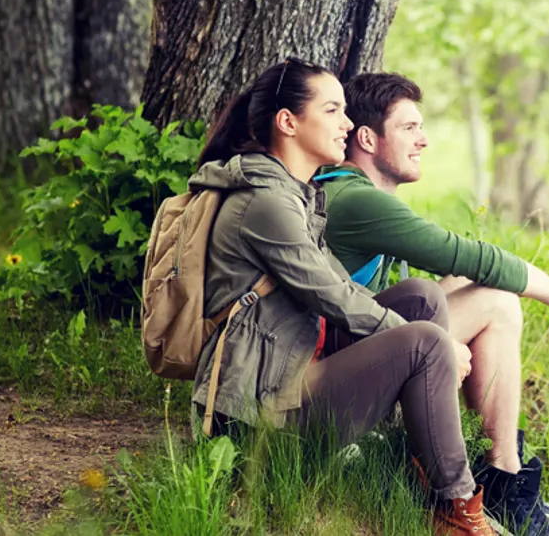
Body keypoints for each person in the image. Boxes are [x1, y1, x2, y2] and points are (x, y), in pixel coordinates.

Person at [188, 59, 496, 536]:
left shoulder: (293, 194)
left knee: (421, 299)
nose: (347, 124)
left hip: (286, 374)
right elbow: (335, 296)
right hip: (257, 418)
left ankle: (414, 460)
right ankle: (459, 510)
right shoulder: (265, 202)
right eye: (332, 111)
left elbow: (343, 288)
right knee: (426, 342)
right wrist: (441, 348)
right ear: (288, 123)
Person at [316, 72, 549, 536]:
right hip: (332, 383)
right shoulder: (356, 201)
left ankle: (501, 474)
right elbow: (468, 253)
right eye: (410, 128)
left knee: (471, 285)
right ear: (368, 138)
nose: (423, 140)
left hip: (344, 352)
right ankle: (504, 476)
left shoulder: (346, 190)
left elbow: (462, 268)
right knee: (496, 300)